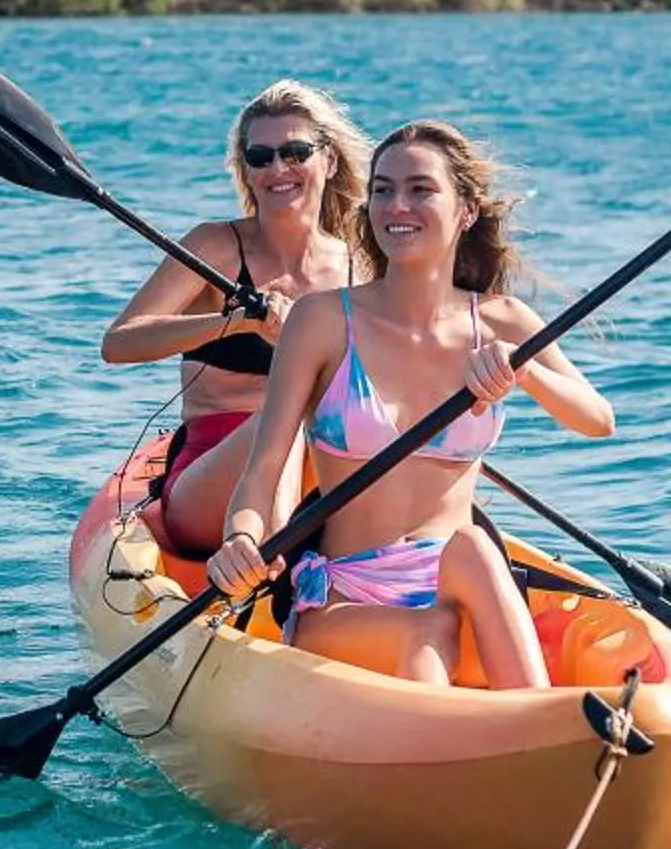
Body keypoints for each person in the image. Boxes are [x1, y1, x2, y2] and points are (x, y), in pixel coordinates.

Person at [204, 121, 614, 689]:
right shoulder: (323, 320)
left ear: (465, 210)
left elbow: (597, 420)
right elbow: (264, 469)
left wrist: (524, 369)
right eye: (383, 189)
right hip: (348, 597)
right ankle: (502, 740)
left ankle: (542, 723)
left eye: (420, 189)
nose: (397, 205)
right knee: (426, 633)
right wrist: (240, 540)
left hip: (459, 585)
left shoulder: (503, 322)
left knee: (470, 544)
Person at [100, 82, 369, 556]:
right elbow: (119, 343)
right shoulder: (215, 247)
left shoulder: (360, 266)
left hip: (324, 478)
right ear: (245, 171)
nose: (278, 168)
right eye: (260, 156)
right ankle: (263, 556)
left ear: (327, 160)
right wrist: (236, 322)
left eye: (295, 152)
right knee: (281, 418)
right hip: (206, 488)